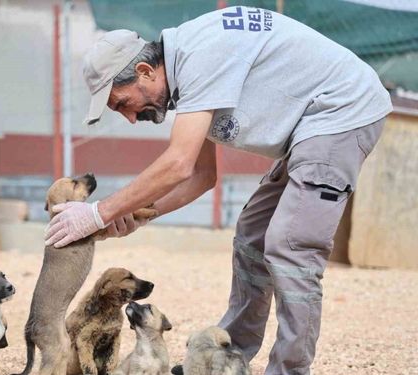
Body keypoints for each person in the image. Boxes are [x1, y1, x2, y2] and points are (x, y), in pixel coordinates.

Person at [44, 6, 391, 375]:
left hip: (342, 114)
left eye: (123, 103)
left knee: (291, 245)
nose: (131, 117)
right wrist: (138, 214)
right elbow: (200, 175)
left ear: (145, 71)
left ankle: (289, 370)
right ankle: (226, 356)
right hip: (310, 130)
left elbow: (178, 162)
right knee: (252, 235)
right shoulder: (186, 74)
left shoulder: (199, 56)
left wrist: (99, 212)